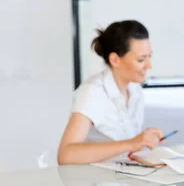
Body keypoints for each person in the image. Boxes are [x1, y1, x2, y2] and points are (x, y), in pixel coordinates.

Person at [58, 20, 164, 165]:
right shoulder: (92, 92)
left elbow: (128, 143)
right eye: (141, 59)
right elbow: (66, 156)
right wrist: (130, 143)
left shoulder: (134, 90)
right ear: (115, 60)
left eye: (149, 56)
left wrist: (142, 140)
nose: (149, 65)